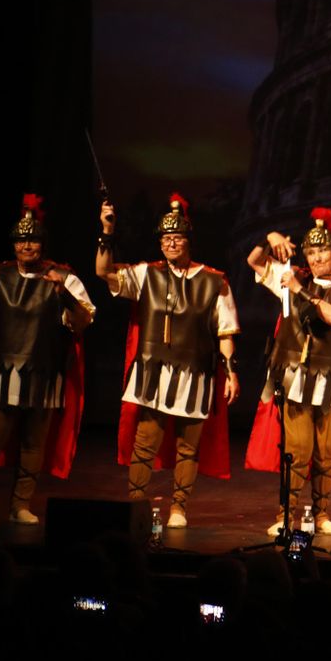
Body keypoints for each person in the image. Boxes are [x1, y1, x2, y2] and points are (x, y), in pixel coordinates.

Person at [100, 194, 239, 527]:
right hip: (154, 371)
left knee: (188, 448)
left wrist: (231, 374)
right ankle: (136, 504)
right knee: (144, 443)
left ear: (188, 241)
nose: (171, 243)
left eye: (177, 238)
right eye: (165, 238)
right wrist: (107, 231)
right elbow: (104, 272)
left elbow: (225, 333)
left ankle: (179, 507)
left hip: (195, 373)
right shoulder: (147, 274)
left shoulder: (214, 281)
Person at [242, 206, 331, 536]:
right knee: (296, 450)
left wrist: (301, 291)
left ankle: (322, 514)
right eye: (311, 252)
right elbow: (255, 262)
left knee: (325, 454)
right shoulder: (291, 278)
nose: (316, 258)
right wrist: (268, 237)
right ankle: (287, 514)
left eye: (322, 250)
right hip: (295, 378)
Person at [0, 195, 93, 523]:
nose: (28, 246)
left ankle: (20, 506)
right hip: (0, 377)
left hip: (44, 377)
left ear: (43, 243)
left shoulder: (63, 278)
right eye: (22, 240)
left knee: (32, 449)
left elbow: (84, 321)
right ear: (14, 245)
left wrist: (64, 294)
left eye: (33, 240)